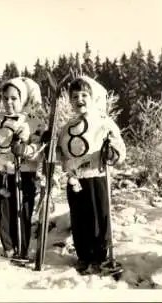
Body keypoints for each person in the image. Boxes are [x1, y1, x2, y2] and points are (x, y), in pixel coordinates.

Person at [53, 75, 126, 274]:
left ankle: (101, 256)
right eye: (75, 96)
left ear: (92, 98)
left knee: (98, 218)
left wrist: (113, 152)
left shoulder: (103, 122)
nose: (79, 100)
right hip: (75, 179)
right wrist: (56, 152)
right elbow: (59, 150)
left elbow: (119, 147)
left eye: (84, 95)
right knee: (80, 219)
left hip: (96, 176)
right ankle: (84, 256)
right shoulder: (67, 127)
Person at [0, 77, 45, 260]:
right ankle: (8, 247)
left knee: (22, 212)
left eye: (14, 98)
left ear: (22, 99)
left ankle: (22, 247)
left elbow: (39, 147)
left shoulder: (33, 122)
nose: (9, 102)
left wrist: (25, 150)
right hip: (4, 174)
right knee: (3, 212)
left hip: (24, 174)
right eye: (5, 98)